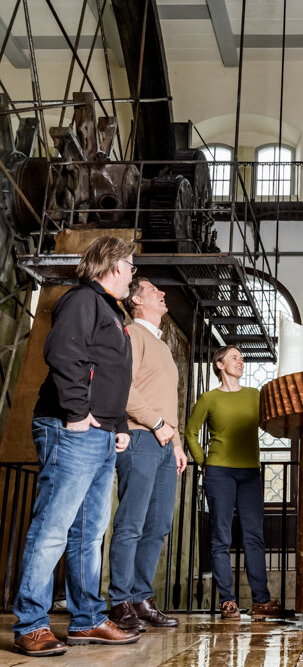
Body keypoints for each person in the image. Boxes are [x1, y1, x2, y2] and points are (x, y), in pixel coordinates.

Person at [12, 236, 141, 656]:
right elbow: (64, 354)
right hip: (72, 429)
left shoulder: (110, 310)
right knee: (52, 528)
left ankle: (86, 621)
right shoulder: (83, 299)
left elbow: (109, 375)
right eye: (132, 266)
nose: (134, 274)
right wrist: (75, 414)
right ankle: (31, 623)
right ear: (116, 265)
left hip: (101, 434)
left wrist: (118, 423)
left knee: (89, 534)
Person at [185, 345, 291, 620]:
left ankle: (261, 602)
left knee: (254, 536)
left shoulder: (255, 396)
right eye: (234, 357)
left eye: (242, 358)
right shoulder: (208, 399)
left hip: (250, 474)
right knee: (221, 536)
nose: (240, 361)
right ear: (219, 364)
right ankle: (228, 601)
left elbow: (273, 421)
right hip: (219, 472)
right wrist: (203, 462)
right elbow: (191, 432)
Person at [107, 277, 188, 632]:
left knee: (158, 526)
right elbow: (122, 387)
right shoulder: (131, 335)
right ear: (137, 301)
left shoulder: (164, 346)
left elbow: (167, 400)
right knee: (132, 523)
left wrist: (177, 442)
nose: (162, 293)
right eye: (154, 290)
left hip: (164, 445)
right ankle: (120, 601)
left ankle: (141, 597)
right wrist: (157, 425)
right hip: (140, 437)